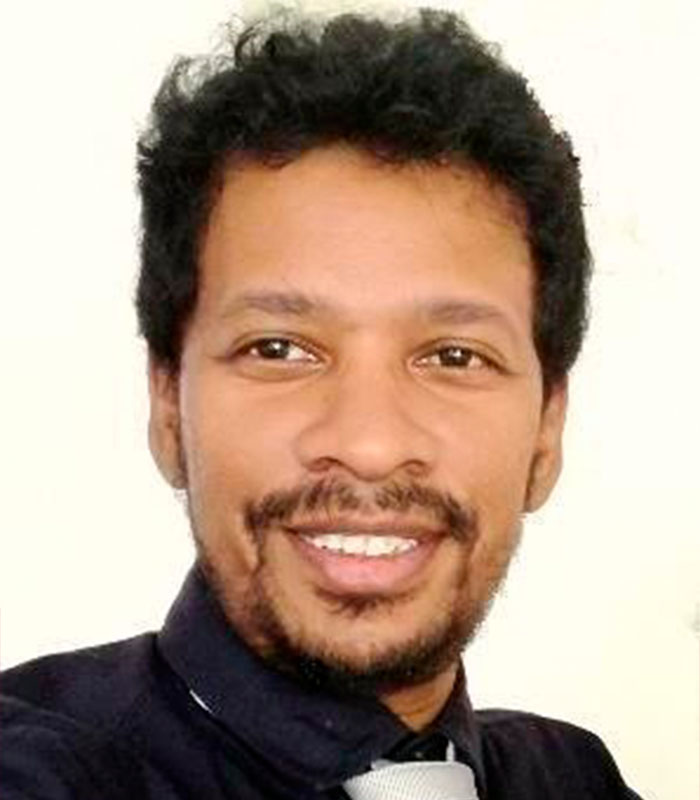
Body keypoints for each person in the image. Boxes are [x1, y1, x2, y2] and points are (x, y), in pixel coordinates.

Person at [0, 7, 643, 799]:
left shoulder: (574, 777)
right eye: (279, 349)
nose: (369, 443)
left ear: (547, 432)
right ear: (168, 406)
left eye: (453, 357)